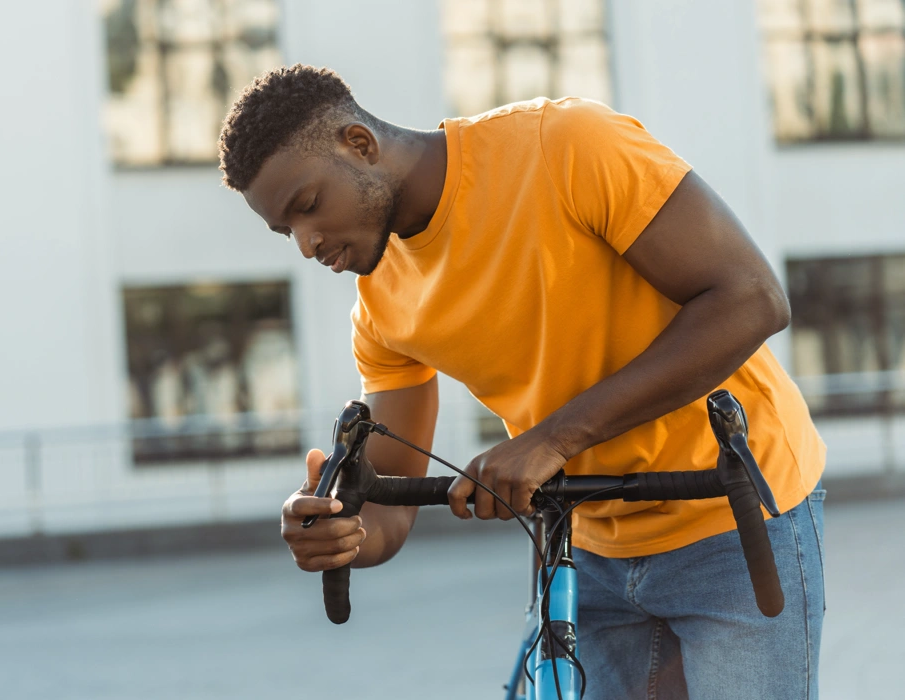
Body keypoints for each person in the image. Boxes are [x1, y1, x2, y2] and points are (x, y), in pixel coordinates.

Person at [218, 64, 825, 699]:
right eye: (287, 230)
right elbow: (386, 506)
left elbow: (752, 299)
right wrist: (340, 534)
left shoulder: (563, 146)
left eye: (308, 206)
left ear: (359, 145)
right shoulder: (379, 310)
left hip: (733, 517)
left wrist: (552, 439)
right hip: (585, 551)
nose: (308, 243)